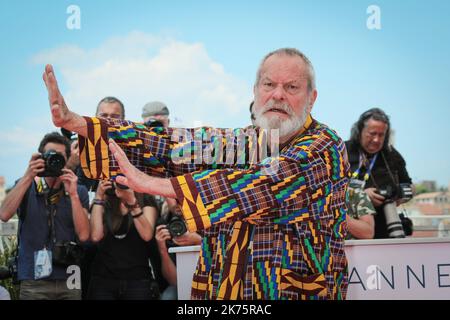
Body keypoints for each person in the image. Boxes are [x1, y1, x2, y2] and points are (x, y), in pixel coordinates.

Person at [43, 47, 350, 300]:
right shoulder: (242, 142)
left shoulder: (325, 147)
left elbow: (264, 185)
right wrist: (79, 124)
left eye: (292, 87)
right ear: (256, 92)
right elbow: (170, 144)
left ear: (312, 98)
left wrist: (156, 184)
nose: (278, 95)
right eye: (269, 85)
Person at [0, 132, 90, 300]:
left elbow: (84, 235)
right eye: (51, 155)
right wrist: (28, 175)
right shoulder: (26, 184)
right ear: (40, 157)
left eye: (60, 157)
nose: (54, 161)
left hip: (70, 276)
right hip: (34, 278)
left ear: (67, 160)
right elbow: (4, 214)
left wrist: (74, 195)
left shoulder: (78, 189)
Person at [346, 108, 413, 239]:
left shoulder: (392, 155)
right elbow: (327, 187)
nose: (376, 140)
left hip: (386, 231)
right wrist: (361, 196)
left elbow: (409, 186)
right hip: (351, 232)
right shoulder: (342, 151)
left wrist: (398, 193)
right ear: (359, 131)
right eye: (372, 133)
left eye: (381, 135)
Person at [87, 180, 159, 300]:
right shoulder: (107, 198)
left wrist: (132, 202)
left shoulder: (145, 198)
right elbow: (95, 236)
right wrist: (99, 197)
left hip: (137, 280)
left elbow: (147, 235)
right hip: (104, 279)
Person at [155, 198, 202, 300]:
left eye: (179, 194)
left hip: (207, 280)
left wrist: (200, 241)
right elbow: (174, 281)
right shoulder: (164, 224)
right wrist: (162, 248)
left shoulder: (205, 219)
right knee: (168, 297)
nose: (176, 201)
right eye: (171, 196)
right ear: (165, 198)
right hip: (179, 285)